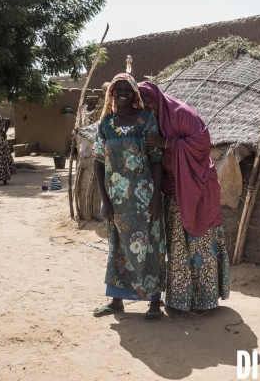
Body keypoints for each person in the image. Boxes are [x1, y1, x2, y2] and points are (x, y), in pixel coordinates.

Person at [138, 81, 231, 321]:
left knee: (198, 244)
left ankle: (203, 302)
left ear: (157, 99)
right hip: (172, 190)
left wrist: (166, 143)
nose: (147, 108)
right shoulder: (149, 119)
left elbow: (203, 143)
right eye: (142, 105)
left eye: (148, 103)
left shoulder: (182, 114)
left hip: (197, 188)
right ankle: (181, 299)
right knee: (178, 246)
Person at [92, 74, 166, 322]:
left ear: (135, 93)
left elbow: (156, 159)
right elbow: (99, 162)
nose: (122, 93)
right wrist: (104, 199)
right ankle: (116, 301)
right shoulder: (105, 125)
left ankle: (154, 301)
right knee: (118, 246)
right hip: (117, 198)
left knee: (150, 245)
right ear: (111, 94)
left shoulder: (147, 120)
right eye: (117, 89)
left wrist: (156, 197)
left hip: (144, 198)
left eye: (127, 89)